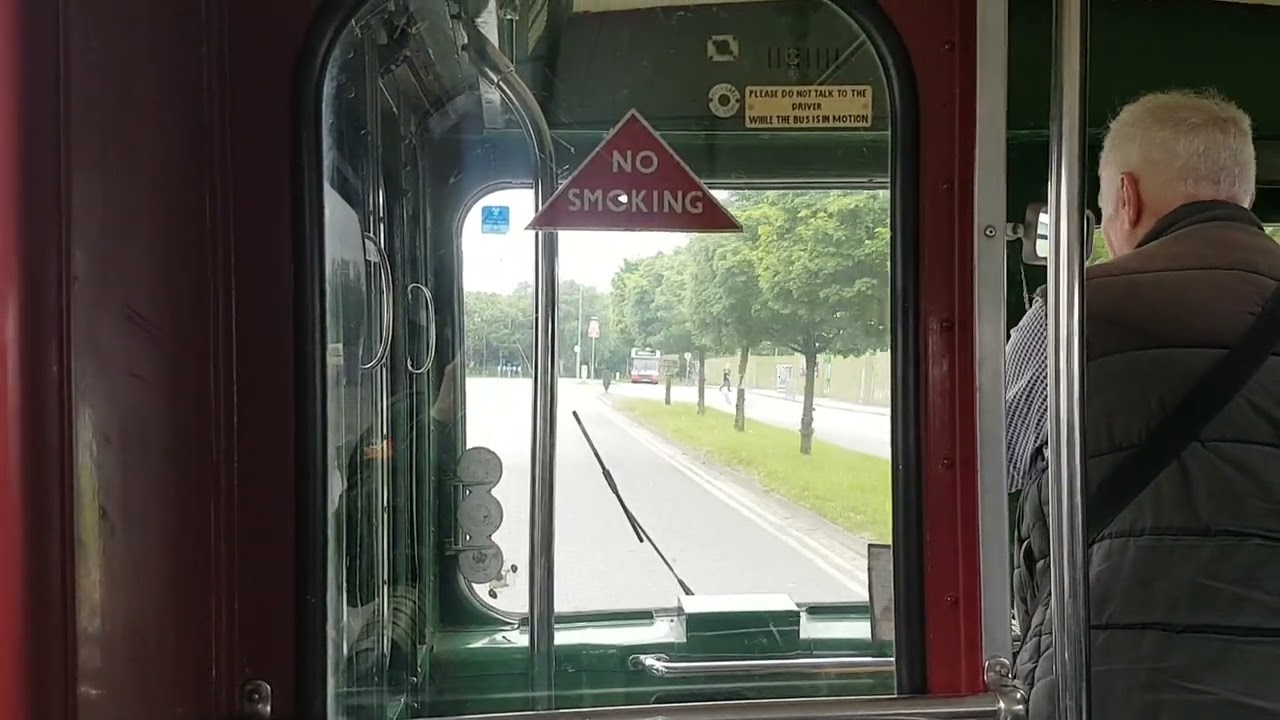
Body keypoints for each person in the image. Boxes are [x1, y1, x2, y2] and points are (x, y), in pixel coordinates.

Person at [1006, 90, 1280, 718]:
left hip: (1110, 684)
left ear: (1125, 196)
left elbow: (996, 473)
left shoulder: (1070, 315)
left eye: (1102, 207)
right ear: (1244, 195)